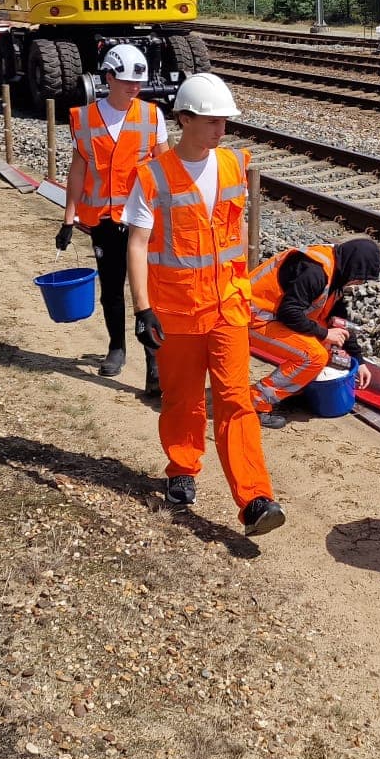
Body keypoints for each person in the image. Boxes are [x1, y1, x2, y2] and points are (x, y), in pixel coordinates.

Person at [125, 73, 285, 537]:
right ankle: (181, 468)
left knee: (236, 400)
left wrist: (246, 291)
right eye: (213, 121)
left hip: (228, 309)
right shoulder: (154, 176)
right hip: (175, 312)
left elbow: (237, 236)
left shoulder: (233, 166)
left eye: (225, 121)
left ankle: (255, 498)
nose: (221, 130)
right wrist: (141, 309)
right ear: (184, 120)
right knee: (183, 400)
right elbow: (137, 243)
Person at [59, 44, 167, 391]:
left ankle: (154, 363)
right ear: (108, 78)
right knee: (111, 289)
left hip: (142, 221)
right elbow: (78, 170)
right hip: (104, 221)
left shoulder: (153, 116)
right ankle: (116, 348)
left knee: (147, 292)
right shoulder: (85, 118)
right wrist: (68, 218)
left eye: (138, 83)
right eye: (125, 82)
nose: (133, 88)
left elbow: (166, 170)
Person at [245, 239, 380, 428]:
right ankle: (257, 401)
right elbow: (289, 312)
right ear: (354, 268)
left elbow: (338, 319)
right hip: (252, 317)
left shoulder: (337, 271)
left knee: (324, 348)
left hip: (273, 315)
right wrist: (325, 333)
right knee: (313, 356)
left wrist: (359, 361)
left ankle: (292, 390)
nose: (360, 283)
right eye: (361, 278)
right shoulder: (315, 272)